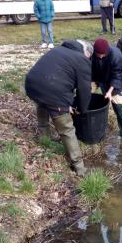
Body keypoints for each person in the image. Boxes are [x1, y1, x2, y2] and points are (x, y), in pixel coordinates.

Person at [25, 39, 93, 176]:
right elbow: (84, 90)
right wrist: (82, 110)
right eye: (89, 58)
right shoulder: (82, 59)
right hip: (53, 91)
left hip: (32, 85)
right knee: (67, 129)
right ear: (86, 53)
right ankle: (79, 168)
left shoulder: (57, 50)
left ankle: (44, 136)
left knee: (42, 102)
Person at [91, 38, 122, 138]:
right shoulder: (91, 54)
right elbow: (89, 69)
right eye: (99, 54)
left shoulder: (116, 55)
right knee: (87, 96)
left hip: (114, 82)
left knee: (117, 106)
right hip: (99, 79)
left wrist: (110, 92)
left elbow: (117, 76)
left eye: (103, 54)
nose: (101, 56)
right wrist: (92, 82)